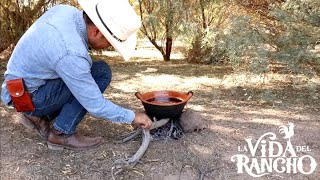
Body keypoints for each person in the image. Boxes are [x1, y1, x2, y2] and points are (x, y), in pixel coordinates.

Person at [0, 0, 152, 151]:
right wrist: (132, 116)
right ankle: (61, 133)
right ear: (97, 32)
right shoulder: (71, 52)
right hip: (28, 98)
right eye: (110, 42)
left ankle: (35, 116)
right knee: (101, 73)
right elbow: (95, 104)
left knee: (97, 69)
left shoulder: (65, 11)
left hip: (18, 90)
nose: (110, 46)